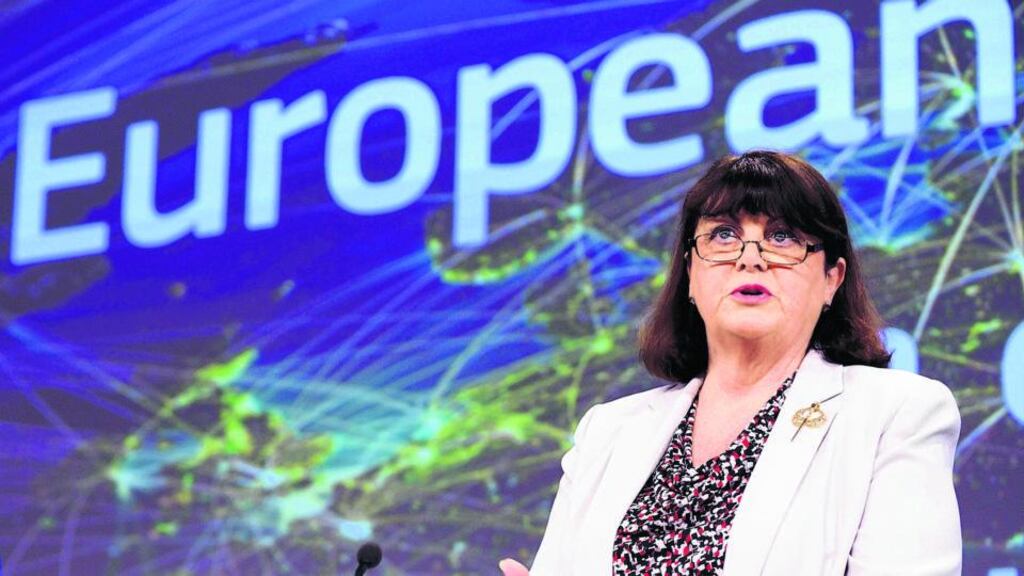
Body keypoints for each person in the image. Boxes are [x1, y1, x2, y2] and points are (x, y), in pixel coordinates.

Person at [498, 150, 962, 575]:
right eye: (724, 235)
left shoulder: (895, 413)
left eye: (783, 236)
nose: (751, 258)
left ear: (830, 280)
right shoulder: (607, 432)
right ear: (691, 276)